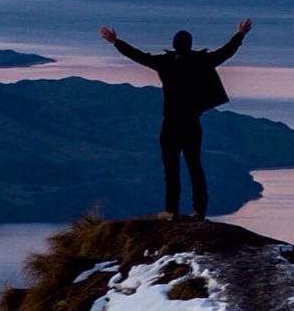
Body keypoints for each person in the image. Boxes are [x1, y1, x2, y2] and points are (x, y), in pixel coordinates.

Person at [99, 18, 253, 220]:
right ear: (190, 44)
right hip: (191, 123)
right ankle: (199, 211)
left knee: (171, 169)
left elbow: (138, 56)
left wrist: (116, 42)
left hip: (170, 123)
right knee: (194, 167)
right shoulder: (201, 61)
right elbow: (225, 52)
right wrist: (240, 34)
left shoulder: (165, 63)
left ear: (173, 45)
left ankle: (171, 210)